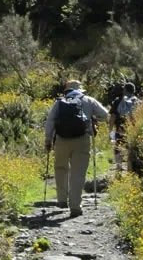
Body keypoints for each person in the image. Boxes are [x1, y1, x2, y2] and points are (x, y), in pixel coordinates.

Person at [44, 79, 108, 217]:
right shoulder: (89, 100)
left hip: (61, 140)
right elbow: (105, 115)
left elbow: (50, 121)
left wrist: (48, 140)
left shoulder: (59, 102)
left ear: (67, 90)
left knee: (61, 168)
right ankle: (75, 206)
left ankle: (62, 200)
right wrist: (93, 119)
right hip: (82, 139)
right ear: (80, 90)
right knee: (78, 173)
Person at [108, 81, 140, 172]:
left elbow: (112, 117)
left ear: (124, 90)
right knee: (131, 147)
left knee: (118, 146)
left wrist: (110, 131)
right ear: (133, 91)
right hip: (133, 128)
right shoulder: (137, 101)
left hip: (120, 128)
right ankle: (130, 169)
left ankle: (119, 167)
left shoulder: (118, 101)